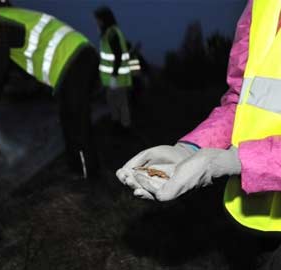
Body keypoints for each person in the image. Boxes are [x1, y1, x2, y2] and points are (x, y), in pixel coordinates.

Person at [116, 0, 281, 268]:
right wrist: (190, 148)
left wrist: (239, 161)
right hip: (259, 212)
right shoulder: (262, 5)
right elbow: (241, 100)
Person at [0, 0, 100, 179]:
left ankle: (87, 173)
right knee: (69, 116)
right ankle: (78, 168)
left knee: (75, 117)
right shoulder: (15, 19)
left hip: (72, 59)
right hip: (77, 57)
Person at [94, 6, 133, 130]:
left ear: (104, 19)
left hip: (117, 78)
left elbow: (118, 55)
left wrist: (114, 76)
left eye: (98, 19)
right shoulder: (110, 33)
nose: (97, 22)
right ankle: (118, 124)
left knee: (120, 102)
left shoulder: (111, 33)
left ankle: (124, 127)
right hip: (115, 77)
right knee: (113, 101)